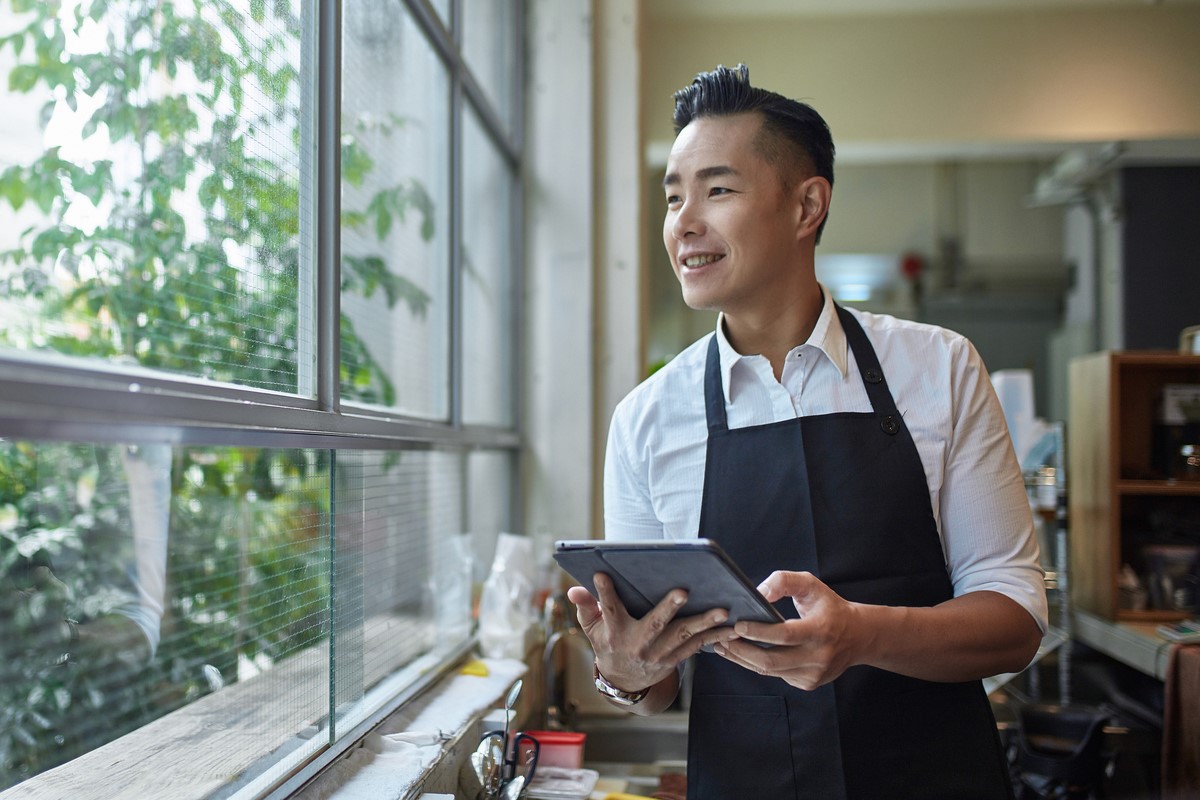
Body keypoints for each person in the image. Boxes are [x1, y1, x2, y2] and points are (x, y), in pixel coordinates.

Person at [566, 64, 1047, 799]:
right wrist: (625, 672)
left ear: (806, 206)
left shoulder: (940, 367)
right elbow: (657, 683)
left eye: (717, 190)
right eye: (673, 197)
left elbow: (1015, 620)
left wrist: (862, 636)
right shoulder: (645, 421)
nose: (683, 222)